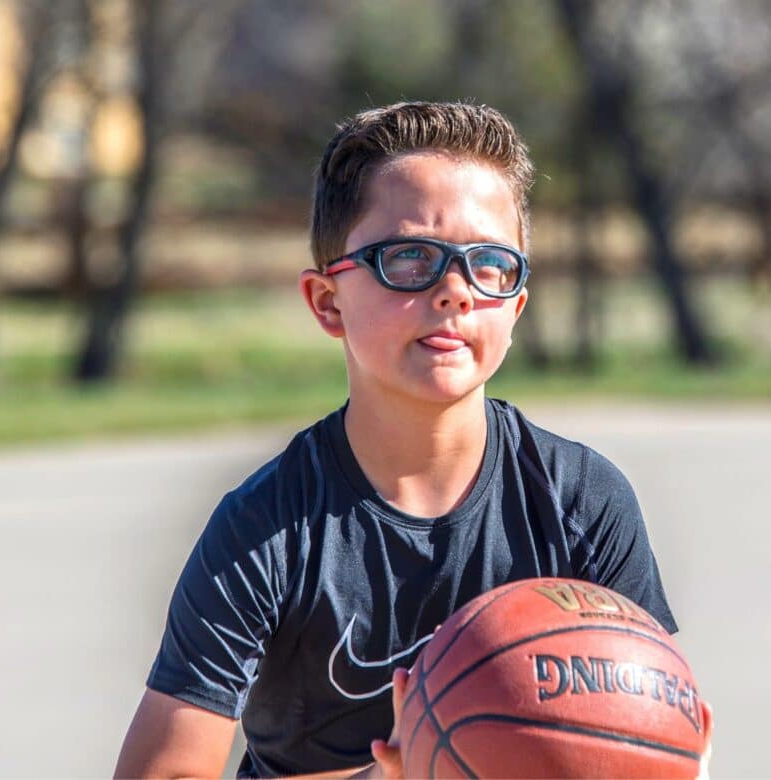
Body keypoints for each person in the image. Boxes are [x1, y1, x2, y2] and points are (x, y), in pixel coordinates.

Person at [114, 101, 677, 779]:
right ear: (328, 301)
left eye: (489, 263)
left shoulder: (581, 503)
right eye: (409, 257)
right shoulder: (267, 529)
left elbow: (656, 736)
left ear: (516, 306)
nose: (455, 291)